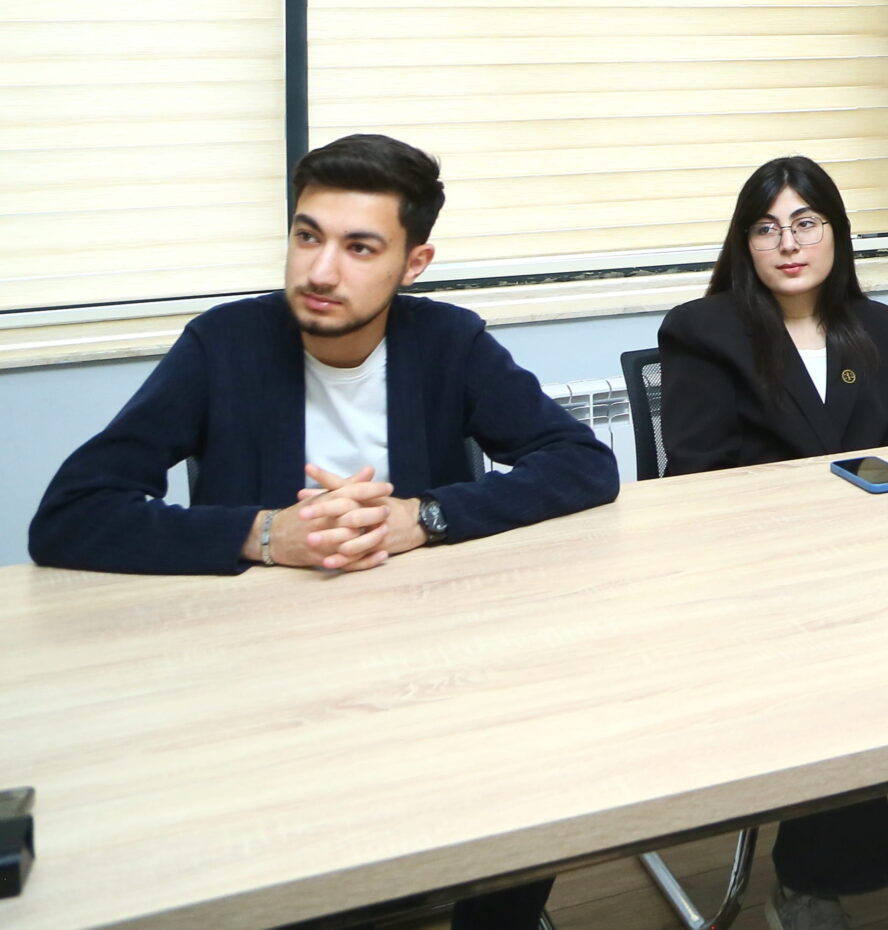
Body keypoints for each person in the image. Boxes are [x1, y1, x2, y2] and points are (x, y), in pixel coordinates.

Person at [30, 134, 618, 930]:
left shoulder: (449, 342)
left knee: (536, 763)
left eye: (359, 247)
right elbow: (71, 512)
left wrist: (424, 518)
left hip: (430, 657)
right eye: (307, 236)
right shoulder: (223, 345)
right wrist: (267, 534)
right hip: (264, 676)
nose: (320, 270)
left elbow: (581, 462)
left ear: (413, 263)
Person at [659, 158, 888, 930]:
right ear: (744, 244)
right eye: (766, 228)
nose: (788, 244)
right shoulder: (704, 333)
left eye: (806, 224)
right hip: (760, 584)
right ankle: (809, 881)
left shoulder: (885, 333)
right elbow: (699, 485)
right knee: (846, 671)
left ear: (836, 233)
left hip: (877, 576)